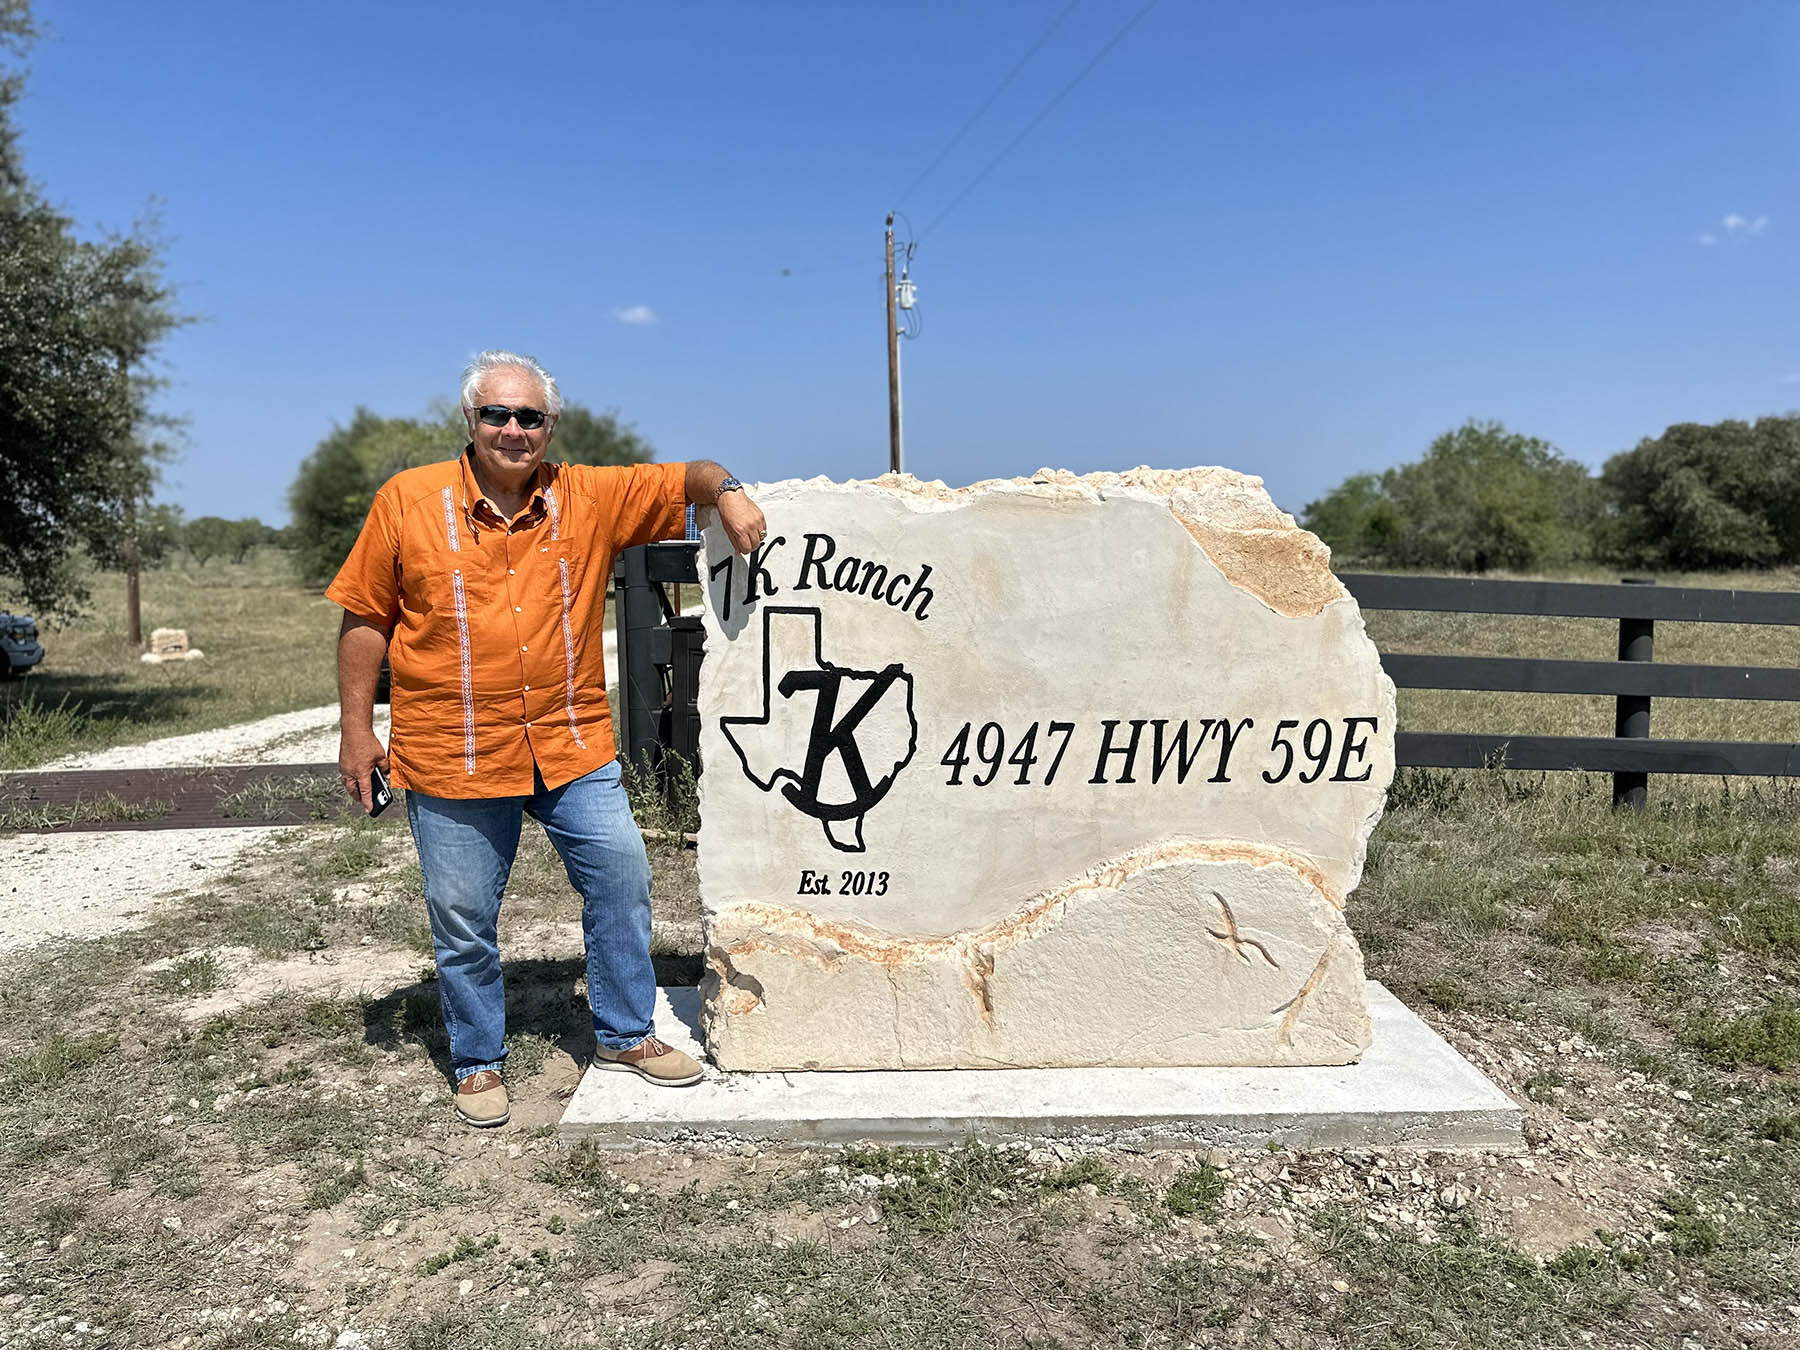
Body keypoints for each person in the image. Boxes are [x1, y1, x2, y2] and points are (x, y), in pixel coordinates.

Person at [328, 350, 766, 1128]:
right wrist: (357, 729)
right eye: (497, 414)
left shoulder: (588, 496)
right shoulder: (407, 501)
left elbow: (689, 475)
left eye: (530, 417)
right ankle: (476, 1059)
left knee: (622, 876)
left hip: (569, 744)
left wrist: (727, 493)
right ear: (470, 420)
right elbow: (366, 619)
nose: (513, 430)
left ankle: (625, 1034)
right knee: (463, 916)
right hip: (453, 750)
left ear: (550, 426)